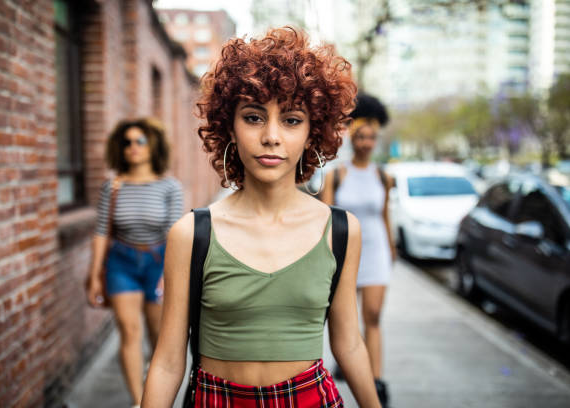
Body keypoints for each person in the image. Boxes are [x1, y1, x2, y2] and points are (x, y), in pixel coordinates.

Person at [142, 27, 382, 408]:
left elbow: (349, 343)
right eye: (254, 117)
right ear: (230, 129)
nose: (271, 136)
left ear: (312, 132)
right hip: (216, 399)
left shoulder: (340, 230)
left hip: (310, 399)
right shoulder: (191, 233)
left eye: (291, 120)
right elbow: (169, 361)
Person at [86, 117, 184, 408]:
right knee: (129, 332)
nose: (133, 147)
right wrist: (93, 276)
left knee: (158, 335)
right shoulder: (113, 186)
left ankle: (158, 394)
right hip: (121, 262)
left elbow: (176, 232)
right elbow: (102, 232)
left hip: (158, 262)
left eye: (140, 140)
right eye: (127, 142)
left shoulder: (169, 186)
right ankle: (139, 402)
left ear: (153, 145)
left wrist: (171, 272)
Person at [321, 93, 395, 407]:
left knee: (374, 316)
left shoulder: (383, 176)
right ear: (353, 138)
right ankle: (352, 371)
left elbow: (386, 214)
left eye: (371, 138)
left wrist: (392, 249)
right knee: (345, 321)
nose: (366, 142)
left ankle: (375, 383)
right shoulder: (336, 175)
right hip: (346, 252)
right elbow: (325, 217)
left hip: (376, 250)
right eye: (361, 136)